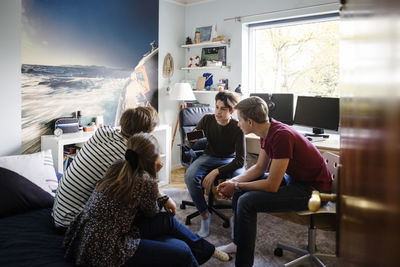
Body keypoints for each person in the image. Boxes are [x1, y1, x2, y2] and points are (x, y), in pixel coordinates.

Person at [63, 133, 230, 267]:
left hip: (86, 235)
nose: (161, 162)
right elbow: (152, 213)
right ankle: (202, 251)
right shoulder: (145, 181)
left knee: (168, 221)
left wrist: (162, 198)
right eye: (158, 157)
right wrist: (158, 197)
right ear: (151, 160)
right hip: (108, 246)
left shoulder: (118, 167)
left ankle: (207, 249)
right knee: (183, 253)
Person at [216, 96, 332, 267]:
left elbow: (272, 185)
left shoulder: (281, 136)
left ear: (250, 122)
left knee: (247, 202)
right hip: (295, 180)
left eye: (239, 119)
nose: (237, 123)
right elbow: (259, 168)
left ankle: (243, 263)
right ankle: (237, 243)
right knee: (240, 192)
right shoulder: (267, 130)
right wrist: (232, 181)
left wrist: (236, 185)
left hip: (313, 191)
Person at [52, 106, 161, 228]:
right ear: (143, 135)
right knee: (158, 217)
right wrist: (163, 199)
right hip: (73, 223)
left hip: (59, 212)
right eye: (151, 132)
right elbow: (146, 187)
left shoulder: (103, 132)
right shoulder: (127, 155)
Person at [185, 90, 245, 238]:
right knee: (190, 176)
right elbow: (190, 143)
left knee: (240, 181)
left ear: (231, 111)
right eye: (217, 107)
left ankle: (236, 218)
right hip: (209, 156)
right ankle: (205, 215)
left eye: (223, 109)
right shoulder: (207, 120)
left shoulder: (238, 128)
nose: (218, 112)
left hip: (230, 160)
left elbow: (240, 160)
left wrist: (216, 171)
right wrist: (190, 139)